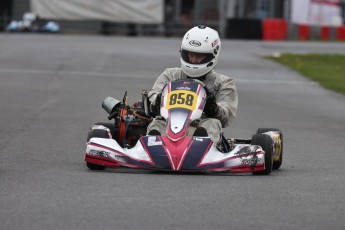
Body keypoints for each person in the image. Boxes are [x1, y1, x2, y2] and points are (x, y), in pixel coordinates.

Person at [147, 25, 238, 145]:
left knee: (213, 124)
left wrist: (212, 107)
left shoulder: (223, 83)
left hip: (200, 127)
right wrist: (159, 99)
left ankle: (202, 146)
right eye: (190, 54)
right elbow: (152, 100)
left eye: (199, 56)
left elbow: (225, 117)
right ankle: (154, 147)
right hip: (170, 126)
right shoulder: (170, 75)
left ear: (212, 55)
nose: (193, 59)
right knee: (156, 124)